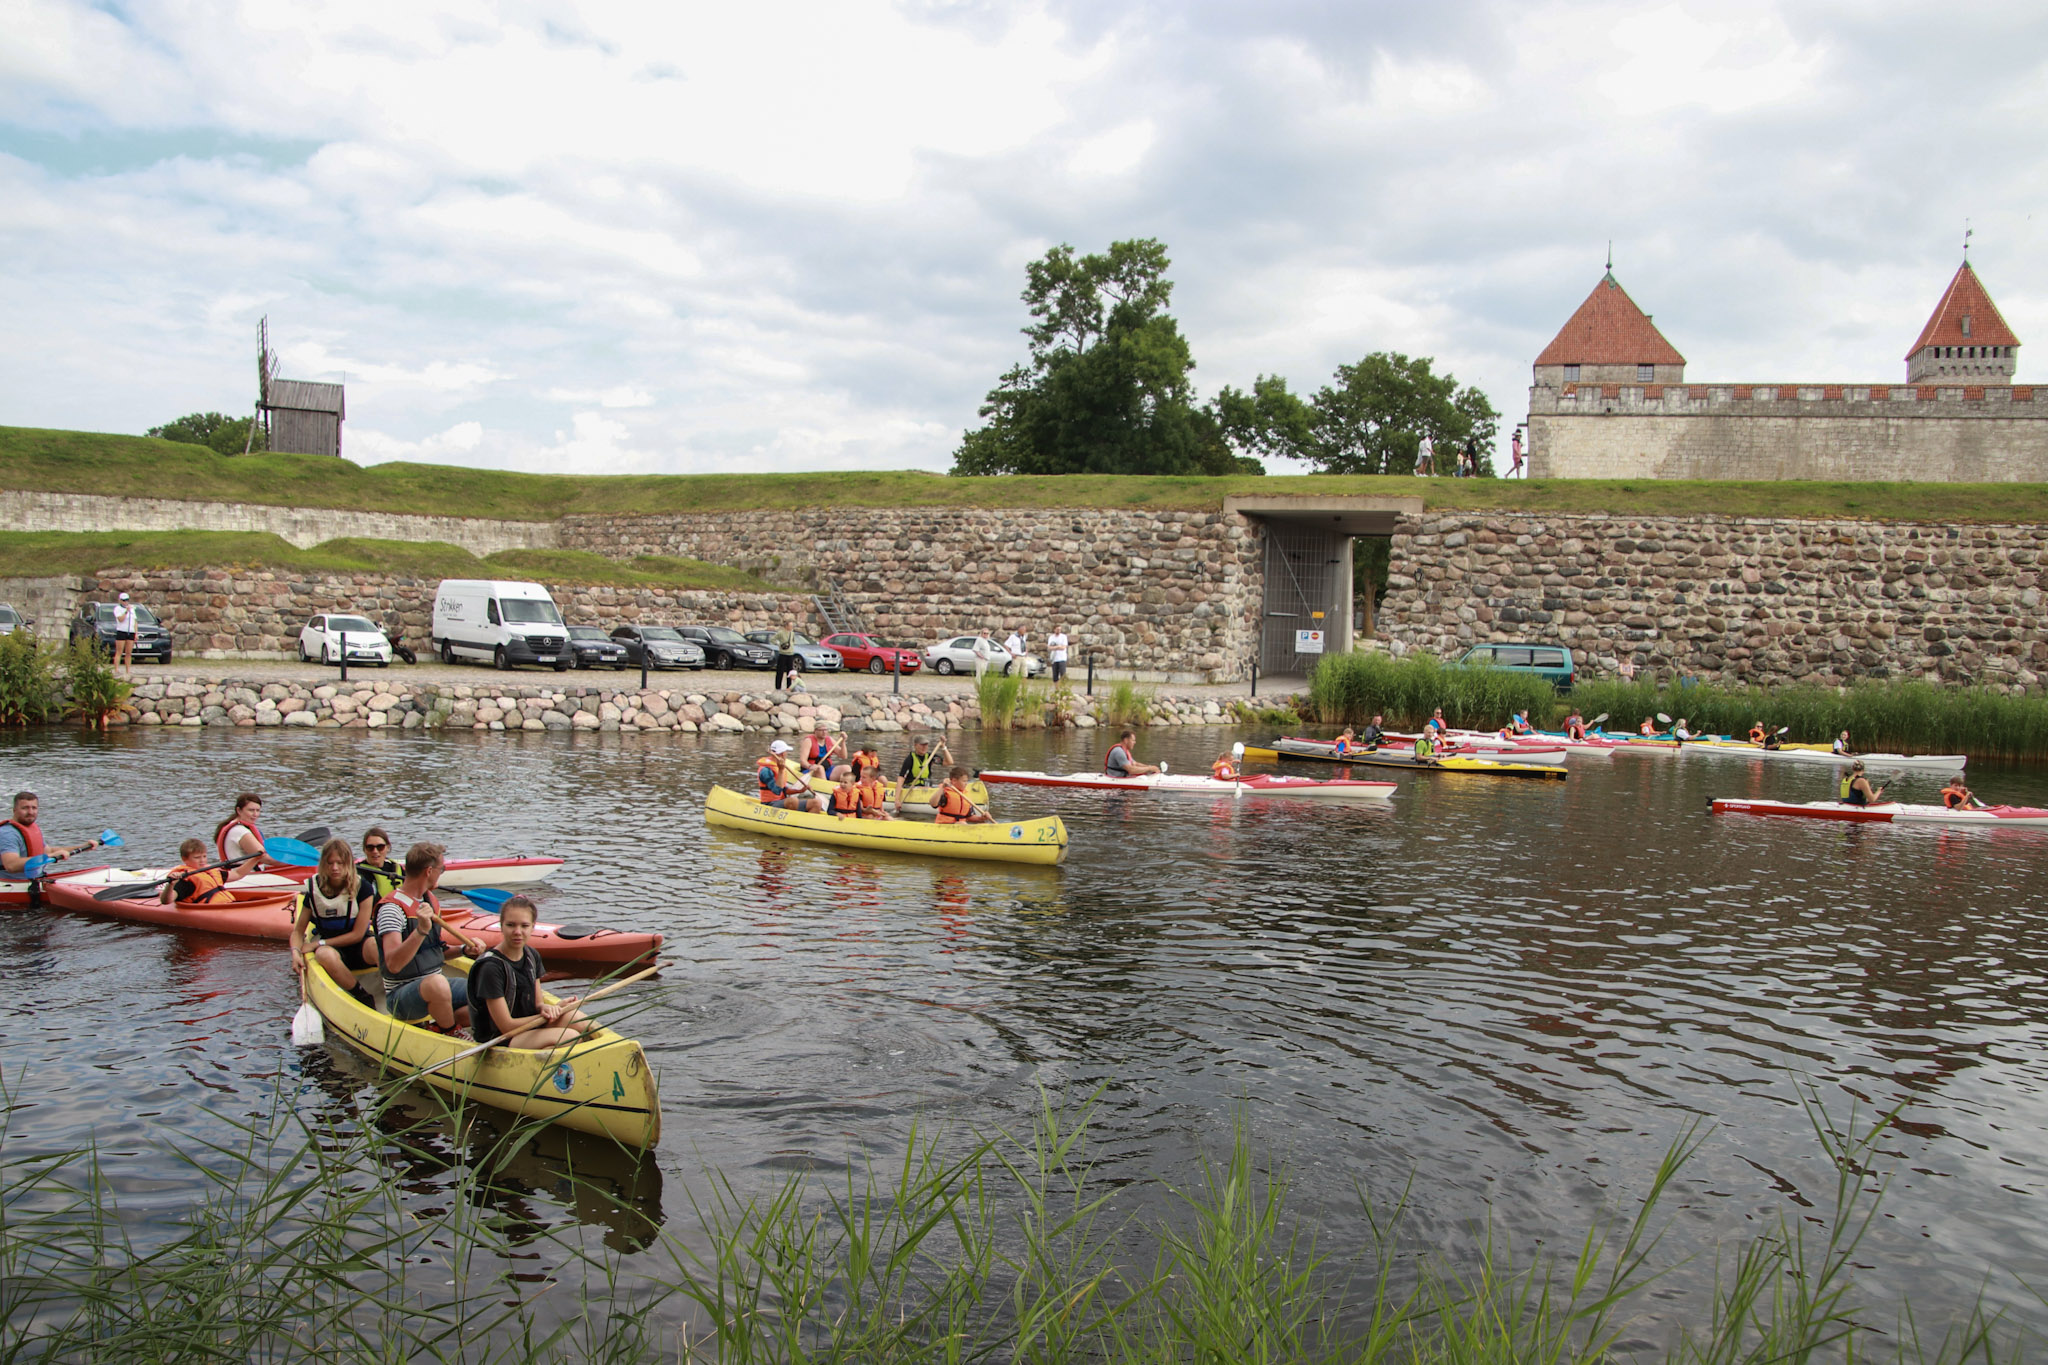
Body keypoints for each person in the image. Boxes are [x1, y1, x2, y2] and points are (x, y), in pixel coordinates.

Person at [377, 842, 485, 1035]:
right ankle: (451, 1031)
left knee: (488, 989)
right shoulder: (392, 909)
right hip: (401, 998)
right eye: (441, 869)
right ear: (429, 871)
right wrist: (420, 931)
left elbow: (436, 953)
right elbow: (393, 964)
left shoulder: (429, 902)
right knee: (437, 983)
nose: (441, 873)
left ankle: (440, 1026)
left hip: (436, 988)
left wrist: (463, 950)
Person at [468, 895, 594, 1051]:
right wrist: (543, 1018)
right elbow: (506, 1026)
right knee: (568, 1037)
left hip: (529, 1026)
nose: (517, 932)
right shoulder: (490, 968)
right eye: (511, 925)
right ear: (501, 926)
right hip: (499, 1038)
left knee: (581, 1022)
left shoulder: (531, 956)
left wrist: (551, 1009)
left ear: (533, 927)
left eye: (524, 926)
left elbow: (538, 1003)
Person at [289, 837, 380, 1005]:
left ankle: (395, 989)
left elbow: (358, 934)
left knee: (377, 945)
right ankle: (361, 996)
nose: (335, 868)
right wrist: (295, 952)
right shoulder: (314, 890)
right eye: (330, 863)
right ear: (323, 864)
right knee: (323, 955)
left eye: (340, 863)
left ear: (348, 863)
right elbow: (298, 931)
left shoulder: (363, 888)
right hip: (333, 950)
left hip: (359, 944)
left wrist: (318, 943)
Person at [0, 791, 107, 881]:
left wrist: (83, 847)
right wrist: (51, 856)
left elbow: (49, 851)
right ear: (14, 810)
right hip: (12, 884)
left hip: (34, 880)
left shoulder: (30, 828)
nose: (30, 812)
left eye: (34, 808)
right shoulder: (8, 834)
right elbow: (11, 865)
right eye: (25, 808)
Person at [159, 837, 251, 906]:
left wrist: (255, 859)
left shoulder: (210, 871)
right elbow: (166, 901)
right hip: (213, 910)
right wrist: (171, 885)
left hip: (229, 905)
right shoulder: (185, 880)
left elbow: (238, 874)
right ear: (185, 859)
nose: (202, 860)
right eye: (197, 858)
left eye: (204, 856)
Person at [758, 740, 825, 812]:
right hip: (769, 804)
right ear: (783, 754)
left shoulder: (780, 766)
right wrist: (781, 770)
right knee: (793, 801)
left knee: (816, 803)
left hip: (782, 801)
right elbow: (777, 791)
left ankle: (805, 822)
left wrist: (800, 790)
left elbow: (783, 790)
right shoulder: (765, 770)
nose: (786, 754)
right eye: (786, 752)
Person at [214, 792, 275, 868]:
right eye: (251, 810)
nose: (255, 814)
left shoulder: (234, 825)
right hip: (246, 877)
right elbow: (266, 859)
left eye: (258, 810)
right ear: (239, 810)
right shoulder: (240, 831)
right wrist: (292, 860)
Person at [357, 827, 401, 901]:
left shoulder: (396, 867)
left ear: (388, 847)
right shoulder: (358, 873)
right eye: (370, 847)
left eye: (380, 847)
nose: (375, 851)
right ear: (364, 849)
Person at [111, 592, 137, 679]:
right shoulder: (117, 609)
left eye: (127, 600)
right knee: (119, 651)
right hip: (122, 631)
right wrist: (126, 611)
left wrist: (136, 633)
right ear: (120, 601)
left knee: (128, 653)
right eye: (124, 600)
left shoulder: (132, 609)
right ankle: (116, 669)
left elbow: (135, 621)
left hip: (131, 631)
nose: (126, 602)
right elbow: (121, 619)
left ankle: (128, 670)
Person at [771, 621, 799, 691]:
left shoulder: (792, 633)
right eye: (790, 626)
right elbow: (772, 639)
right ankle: (778, 687)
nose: (791, 627)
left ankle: (788, 687)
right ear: (786, 626)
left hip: (790, 654)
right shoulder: (781, 633)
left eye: (792, 626)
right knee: (780, 671)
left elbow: (793, 641)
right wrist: (778, 644)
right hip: (783, 654)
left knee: (790, 672)